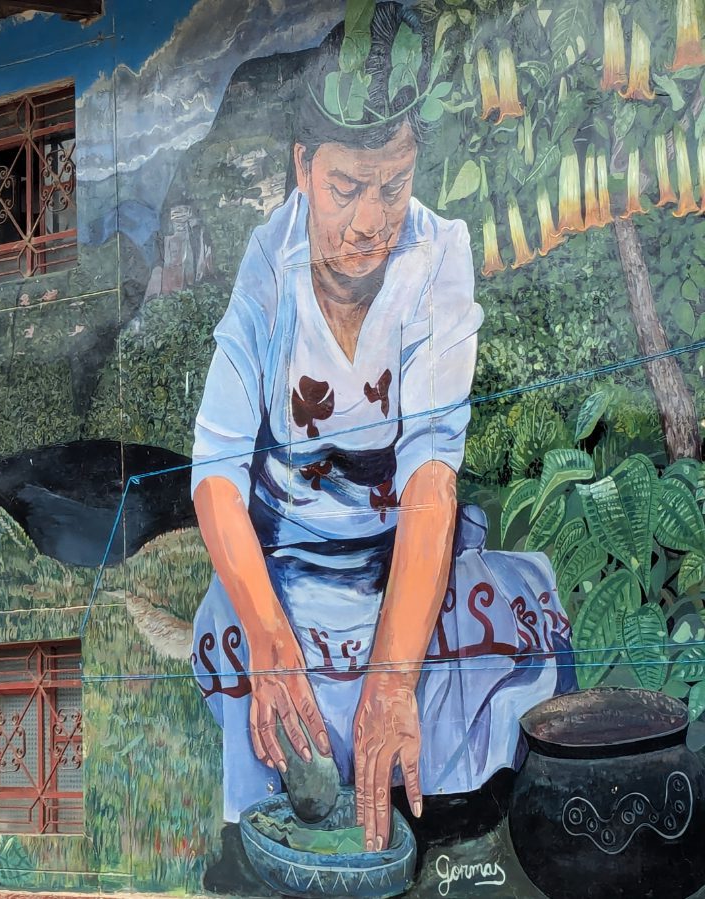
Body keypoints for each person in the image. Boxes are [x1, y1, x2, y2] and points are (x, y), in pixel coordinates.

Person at [189, 3, 574, 890]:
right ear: (303, 172)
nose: (371, 220)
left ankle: (452, 839)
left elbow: (432, 480)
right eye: (347, 188)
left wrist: (393, 679)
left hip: (402, 560)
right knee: (264, 671)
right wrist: (273, 645)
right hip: (289, 569)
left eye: (393, 186)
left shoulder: (439, 257)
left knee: (488, 635)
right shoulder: (268, 262)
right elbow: (214, 473)